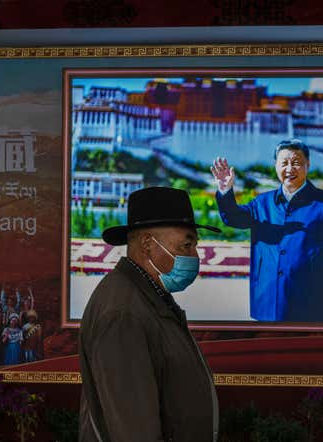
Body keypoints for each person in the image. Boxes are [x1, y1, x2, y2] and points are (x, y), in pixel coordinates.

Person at [79, 187, 220, 442]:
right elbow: (135, 429)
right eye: (186, 245)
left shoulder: (148, 298)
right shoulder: (123, 314)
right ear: (147, 244)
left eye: (195, 246)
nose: (195, 256)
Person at [211, 139, 323, 322]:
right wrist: (225, 192)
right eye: (284, 163)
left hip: (310, 300)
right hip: (268, 298)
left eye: (295, 163)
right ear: (276, 165)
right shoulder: (262, 203)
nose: (289, 168)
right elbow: (233, 218)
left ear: (307, 165)